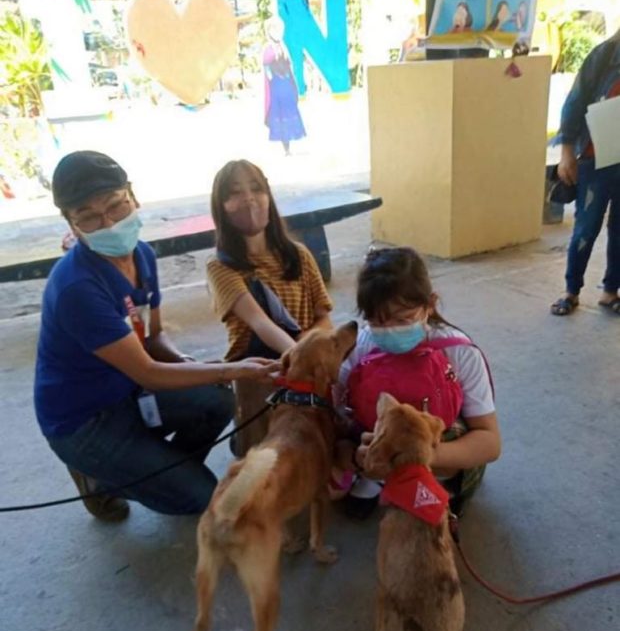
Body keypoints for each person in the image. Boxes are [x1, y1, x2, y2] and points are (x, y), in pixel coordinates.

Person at [35, 151, 277, 523]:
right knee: (200, 497)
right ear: (70, 222)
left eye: (116, 206)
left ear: (133, 197)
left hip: (128, 389)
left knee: (215, 399)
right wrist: (234, 369)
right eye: (89, 216)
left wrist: (185, 363)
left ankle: (153, 469)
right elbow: (148, 371)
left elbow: (153, 337)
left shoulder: (142, 255)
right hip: (85, 421)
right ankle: (101, 477)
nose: (108, 223)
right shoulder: (77, 288)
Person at [338, 247, 501, 517]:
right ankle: (377, 478)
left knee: (430, 513)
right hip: (379, 443)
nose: (389, 330)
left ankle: (437, 485)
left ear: (430, 305)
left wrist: (421, 456)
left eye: (403, 319)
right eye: (377, 321)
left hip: (439, 455)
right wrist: (359, 455)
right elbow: (337, 408)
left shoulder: (459, 352)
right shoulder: (364, 344)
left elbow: (490, 442)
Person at [207, 159, 333, 453]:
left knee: (313, 449)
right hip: (260, 371)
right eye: (235, 193)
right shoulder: (221, 266)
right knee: (262, 457)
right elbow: (260, 323)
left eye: (256, 189)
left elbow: (323, 318)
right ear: (222, 206)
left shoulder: (299, 254)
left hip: (303, 359)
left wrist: (307, 347)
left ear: (268, 197)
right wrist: (301, 358)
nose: (249, 199)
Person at [550, 30, 620, 316]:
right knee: (586, 228)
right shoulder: (604, 55)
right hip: (595, 158)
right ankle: (571, 291)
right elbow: (575, 102)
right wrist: (567, 152)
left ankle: (610, 292)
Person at [263, 17, 306, 156]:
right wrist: (272, 78)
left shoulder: (284, 47)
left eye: (278, 29)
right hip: (277, 87)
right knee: (280, 116)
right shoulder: (268, 49)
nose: (277, 32)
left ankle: (290, 144)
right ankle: (286, 148)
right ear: (269, 31)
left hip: (287, 85)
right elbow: (266, 68)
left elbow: (290, 66)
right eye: (273, 29)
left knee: (289, 113)